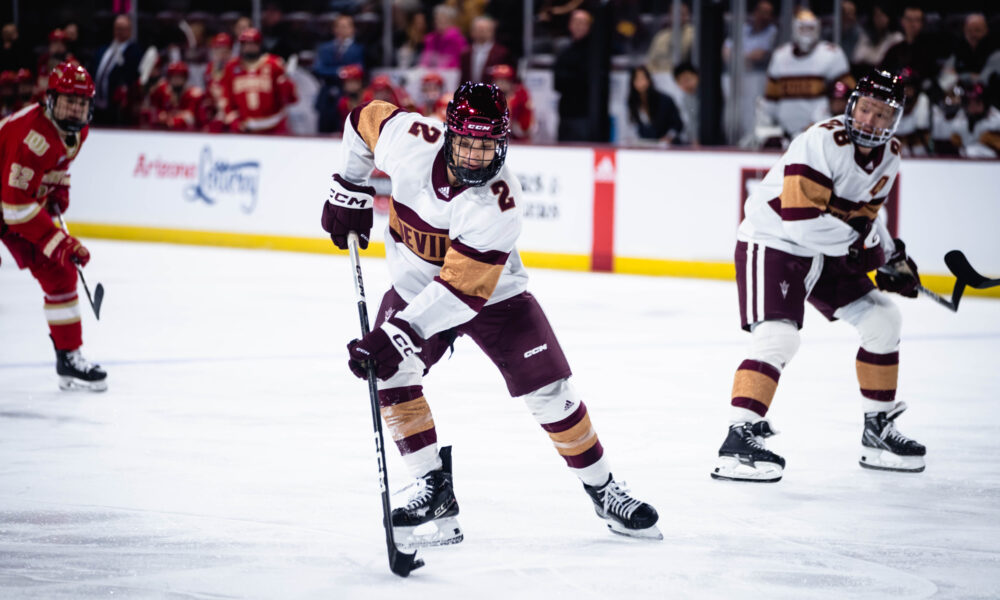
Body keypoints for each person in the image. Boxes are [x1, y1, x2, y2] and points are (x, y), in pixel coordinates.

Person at [320, 82, 661, 545]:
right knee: (393, 376)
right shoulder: (408, 140)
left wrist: (399, 331)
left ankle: (603, 489)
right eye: (468, 143)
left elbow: (461, 291)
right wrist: (350, 185)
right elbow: (362, 119)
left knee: (551, 390)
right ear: (448, 134)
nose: (477, 157)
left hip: (492, 294)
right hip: (416, 286)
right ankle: (433, 487)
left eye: (488, 146)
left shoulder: (500, 202)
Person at [712, 71, 926, 483]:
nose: (870, 120)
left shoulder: (891, 154)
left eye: (882, 114)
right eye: (865, 108)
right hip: (773, 240)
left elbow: (864, 217)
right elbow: (800, 222)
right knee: (778, 337)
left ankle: (877, 429)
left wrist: (892, 255)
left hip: (825, 248)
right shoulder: (821, 141)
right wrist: (870, 252)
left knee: (883, 319)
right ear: (852, 105)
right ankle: (738, 438)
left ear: (895, 120)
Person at [0, 63, 107, 392]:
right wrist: (61, 242)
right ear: (51, 100)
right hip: (10, 200)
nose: (76, 108)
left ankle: (68, 357)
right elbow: (15, 209)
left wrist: (58, 188)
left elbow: (57, 165)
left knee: (60, 273)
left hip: (12, 197)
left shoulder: (77, 130)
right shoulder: (32, 140)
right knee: (59, 255)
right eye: (69, 101)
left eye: (82, 102)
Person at [757, 10, 854, 143]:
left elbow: (844, 100)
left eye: (810, 28)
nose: (807, 32)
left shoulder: (832, 54)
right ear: (794, 28)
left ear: (818, 28)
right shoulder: (780, 56)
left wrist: (826, 122)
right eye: (803, 27)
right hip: (784, 136)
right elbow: (770, 101)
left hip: (821, 135)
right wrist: (767, 129)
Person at [220, 28, 297, 134]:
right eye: (246, 44)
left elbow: (291, 99)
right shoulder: (231, 67)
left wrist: (286, 85)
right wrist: (233, 120)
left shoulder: (274, 64)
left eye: (253, 44)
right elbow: (226, 97)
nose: (250, 48)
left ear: (259, 45)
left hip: (273, 125)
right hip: (245, 127)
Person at [91, 14, 143, 126]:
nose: (120, 32)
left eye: (123, 29)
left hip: (116, 109)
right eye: (117, 28)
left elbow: (132, 76)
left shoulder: (134, 52)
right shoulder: (104, 49)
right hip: (95, 106)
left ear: (129, 30)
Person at [623, 65, 683, 145]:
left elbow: (678, 124)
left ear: (649, 80)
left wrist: (669, 137)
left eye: (643, 78)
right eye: (637, 79)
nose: (640, 83)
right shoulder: (632, 102)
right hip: (645, 145)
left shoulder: (664, 100)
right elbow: (635, 127)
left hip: (667, 145)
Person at [142, 61, 209, 131]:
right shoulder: (162, 91)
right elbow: (154, 112)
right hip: (165, 133)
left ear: (185, 79)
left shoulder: (193, 94)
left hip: (191, 134)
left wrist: (171, 120)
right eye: (173, 77)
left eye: (179, 77)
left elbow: (190, 118)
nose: (176, 80)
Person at [459, 16, 510, 84]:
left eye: (484, 29)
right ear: (472, 32)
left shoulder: (501, 53)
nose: (481, 33)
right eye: (478, 29)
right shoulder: (466, 53)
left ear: (492, 31)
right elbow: (463, 78)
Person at [487, 64, 533, 140]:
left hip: (518, 138)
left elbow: (526, 127)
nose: (498, 83)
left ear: (510, 81)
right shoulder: (489, 95)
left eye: (502, 80)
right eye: (496, 79)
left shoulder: (520, 94)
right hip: (494, 137)